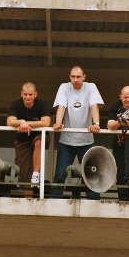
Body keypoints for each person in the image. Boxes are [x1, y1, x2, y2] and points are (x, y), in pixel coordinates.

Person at [52, 66, 104, 199]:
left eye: (78, 77)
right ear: (69, 77)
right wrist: (58, 122)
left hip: (86, 142)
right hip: (66, 141)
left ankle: (94, 203)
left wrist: (96, 124)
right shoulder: (64, 87)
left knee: (91, 174)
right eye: (73, 77)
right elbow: (61, 107)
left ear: (84, 77)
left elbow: (94, 106)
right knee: (60, 174)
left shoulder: (91, 87)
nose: (75, 79)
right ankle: (54, 202)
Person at [7, 82, 52, 198]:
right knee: (25, 173)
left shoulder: (42, 104)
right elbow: (10, 121)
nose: (27, 97)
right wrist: (21, 122)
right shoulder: (15, 104)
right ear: (21, 94)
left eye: (30, 94)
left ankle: (36, 173)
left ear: (35, 94)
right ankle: (28, 200)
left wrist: (27, 124)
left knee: (38, 142)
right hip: (22, 140)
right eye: (25, 94)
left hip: (39, 136)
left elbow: (46, 122)